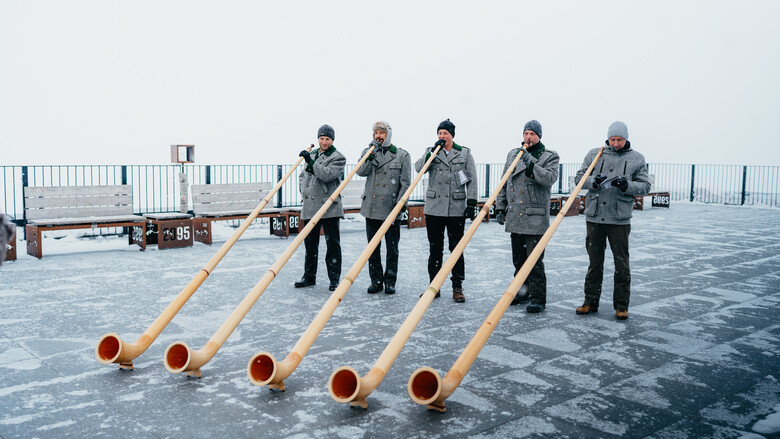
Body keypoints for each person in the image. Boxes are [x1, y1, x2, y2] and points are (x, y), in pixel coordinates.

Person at [574, 121, 651, 320]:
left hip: (619, 219)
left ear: (626, 139)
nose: (615, 143)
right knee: (594, 262)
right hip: (595, 216)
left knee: (621, 263)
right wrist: (594, 181)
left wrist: (627, 185)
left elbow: (645, 186)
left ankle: (621, 305)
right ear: (607, 138)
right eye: (612, 139)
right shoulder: (595, 154)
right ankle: (590, 302)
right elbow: (580, 178)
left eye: (619, 139)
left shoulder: (636, 158)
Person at [495, 120, 559, 313]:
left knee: (534, 261)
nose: (528, 137)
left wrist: (531, 164)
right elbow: (505, 181)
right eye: (526, 133)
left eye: (532, 134)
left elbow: (549, 179)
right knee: (519, 260)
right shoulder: (513, 154)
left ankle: (538, 297)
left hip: (535, 216)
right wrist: (500, 207)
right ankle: (521, 292)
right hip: (516, 215)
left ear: (539, 136)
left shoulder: (549, 156)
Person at [415, 119, 478, 303]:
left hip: (456, 208)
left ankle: (457, 287)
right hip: (434, 208)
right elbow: (419, 169)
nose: (442, 136)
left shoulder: (464, 153)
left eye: (445, 133)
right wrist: (432, 154)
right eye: (440, 133)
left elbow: (471, 178)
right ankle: (433, 286)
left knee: (456, 249)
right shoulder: (431, 151)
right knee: (435, 249)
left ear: (452, 135)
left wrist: (472, 203)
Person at [357, 121, 412, 295]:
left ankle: (390, 281)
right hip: (371, 208)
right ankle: (376, 280)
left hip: (391, 208)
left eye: (382, 133)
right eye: (376, 133)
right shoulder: (368, 152)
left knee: (392, 248)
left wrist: (401, 205)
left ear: (388, 135)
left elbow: (405, 183)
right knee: (372, 247)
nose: (378, 136)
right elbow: (361, 171)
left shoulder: (402, 155)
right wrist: (371, 154)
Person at [295, 124, 347, 291]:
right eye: (322, 138)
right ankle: (309, 276)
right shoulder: (312, 154)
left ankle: (334, 279)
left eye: (327, 139)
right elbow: (303, 175)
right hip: (310, 205)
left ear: (332, 140)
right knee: (310, 245)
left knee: (332, 244)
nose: (324, 142)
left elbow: (326, 174)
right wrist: (303, 190)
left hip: (329, 205)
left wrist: (310, 162)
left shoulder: (338, 157)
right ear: (318, 139)